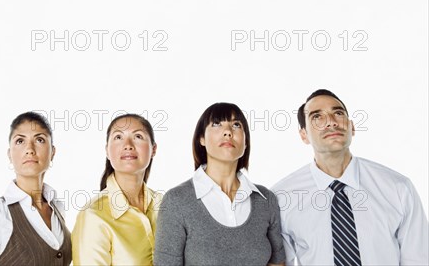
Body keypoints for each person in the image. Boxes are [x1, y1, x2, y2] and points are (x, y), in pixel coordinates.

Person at [272, 89, 429, 265]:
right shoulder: (281, 198)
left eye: (338, 113)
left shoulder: (398, 188)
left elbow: (418, 259)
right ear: (304, 135)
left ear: (352, 127)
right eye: (317, 117)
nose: (331, 122)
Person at [154, 102, 285, 266]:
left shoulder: (266, 199)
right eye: (217, 124)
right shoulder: (177, 201)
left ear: (245, 143)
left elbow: (277, 263)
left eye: (236, 125)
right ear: (201, 139)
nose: (228, 132)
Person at [0, 112, 71, 265]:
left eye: (39, 139)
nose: (29, 149)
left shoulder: (57, 207)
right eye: (20, 141)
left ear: (52, 152)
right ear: (10, 154)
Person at [72, 114, 161, 265]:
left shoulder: (166, 204)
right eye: (118, 137)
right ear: (107, 151)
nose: (128, 145)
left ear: (153, 149)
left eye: (138, 136)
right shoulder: (93, 215)